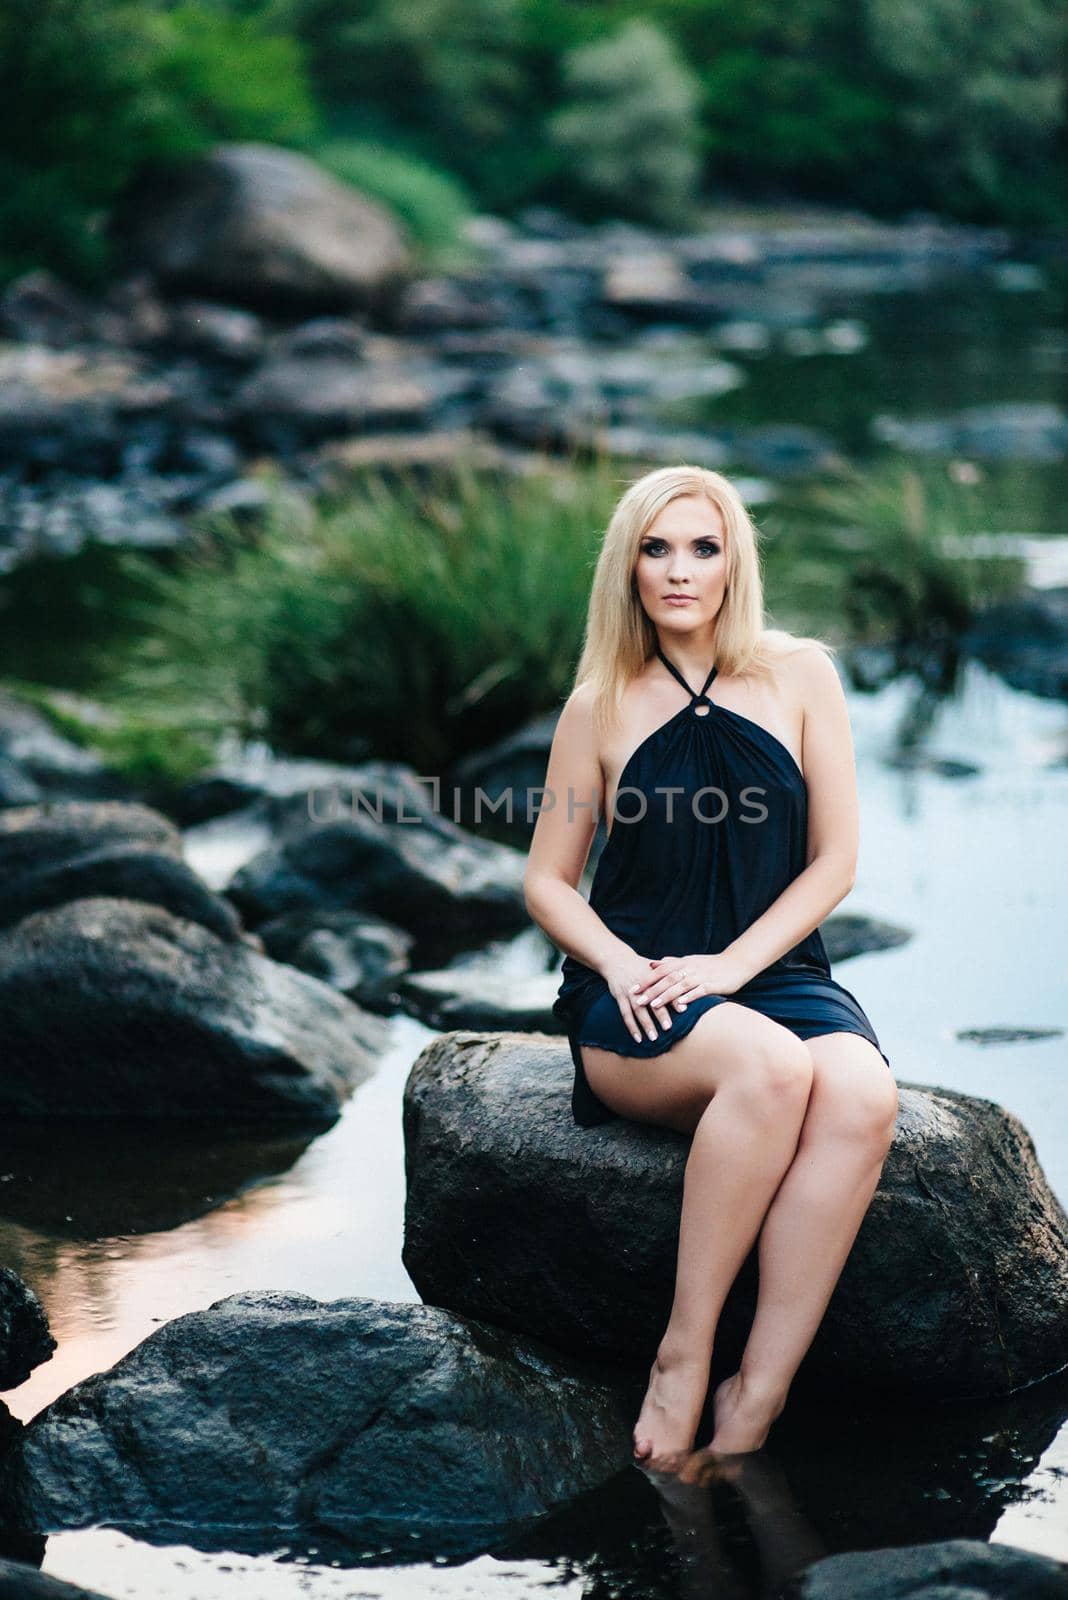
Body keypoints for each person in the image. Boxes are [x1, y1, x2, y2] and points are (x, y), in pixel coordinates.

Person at [522, 464, 898, 1474]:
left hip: (770, 968)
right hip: (638, 988)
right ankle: (685, 1355)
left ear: (735, 560)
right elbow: (551, 884)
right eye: (656, 548)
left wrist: (731, 965)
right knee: (773, 1072)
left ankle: (759, 1391)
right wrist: (622, 965)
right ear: (627, 567)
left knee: (862, 1093)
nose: (680, 570)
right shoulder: (596, 708)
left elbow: (837, 862)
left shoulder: (802, 674)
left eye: (703, 546)